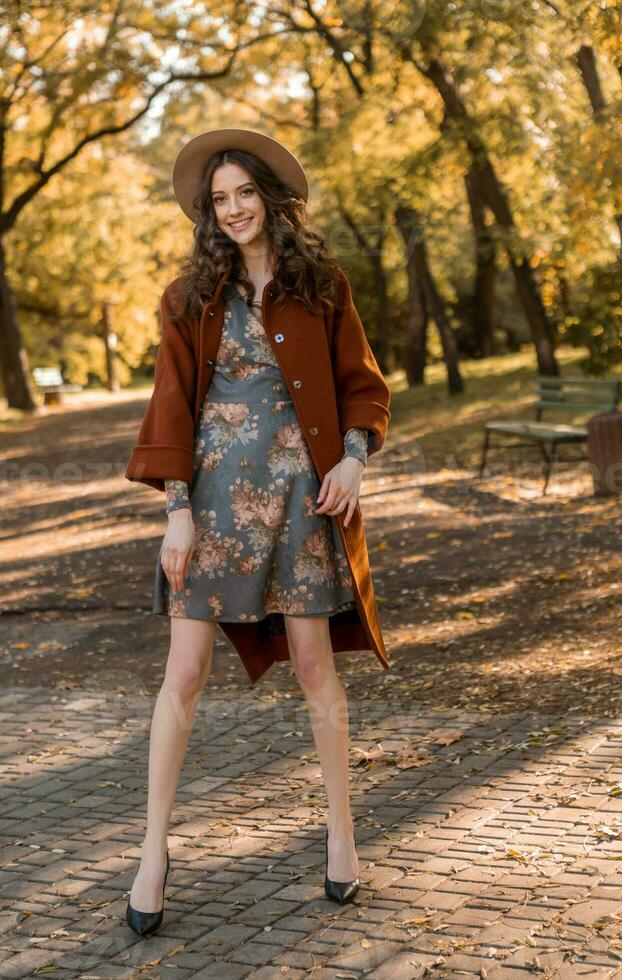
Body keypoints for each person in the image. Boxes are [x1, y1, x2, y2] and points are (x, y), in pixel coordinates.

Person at [124, 128, 391, 935]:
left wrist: (351, 462)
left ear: (271, 198)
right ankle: (151, 850)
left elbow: (361, 385)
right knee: (185, 672)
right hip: (210, 504)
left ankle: (342, 834)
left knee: (314, 664)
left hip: (304, 499)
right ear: (209, 213)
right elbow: (170, 404)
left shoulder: (323, 284)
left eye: (245, 194)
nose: (234, 210)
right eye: (219, 200)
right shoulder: (187, 296)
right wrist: (174, 508)